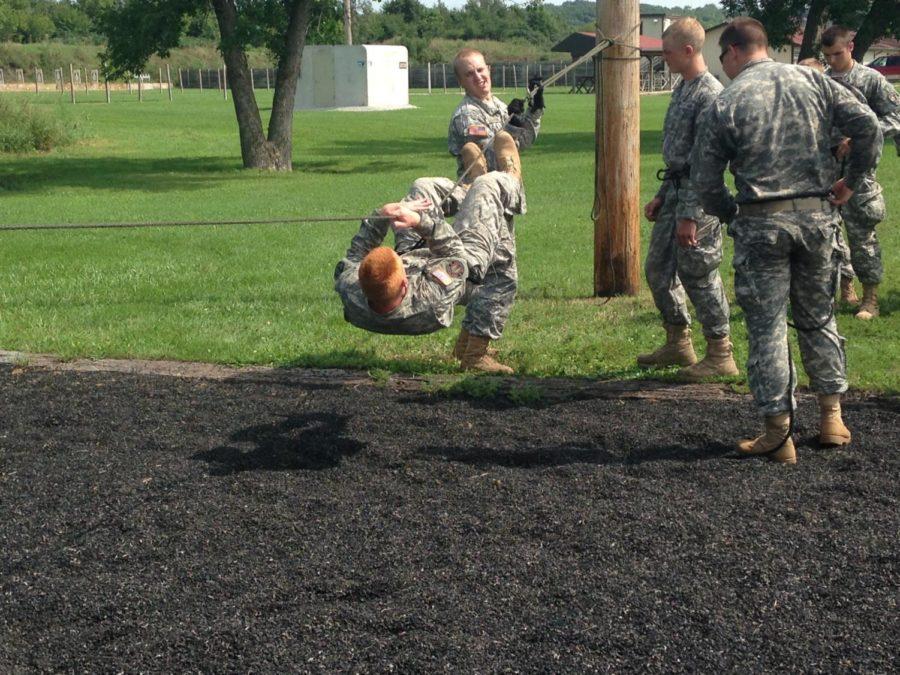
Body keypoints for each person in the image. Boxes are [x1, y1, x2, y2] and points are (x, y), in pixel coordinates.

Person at [691, 18, 881, 464]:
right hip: (818, 219)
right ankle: (832, 418)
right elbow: (869, 125)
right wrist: (851, 183)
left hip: (762, 225)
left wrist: (731, 213)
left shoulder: (728, 100)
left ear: (734, 51)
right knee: (819, 317)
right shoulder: (812, 79)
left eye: (724, 58)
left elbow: (704, 180)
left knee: (768, 327)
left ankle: (778, 434)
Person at [335, 132, 523, 374]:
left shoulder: (351, 288)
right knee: (500, 262)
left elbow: (355, 255)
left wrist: (381, 215)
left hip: (420, 261)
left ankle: (469, 187)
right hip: (461, 267)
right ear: (404, 285)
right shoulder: (430, 297)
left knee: (421, 187)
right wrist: (422, 222)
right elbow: (455, 254)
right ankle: (475, 354)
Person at [639, 17, 737, 379]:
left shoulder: (709, 94)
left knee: (698, 273)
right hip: (678, 192)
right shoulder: (683, 88)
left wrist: (691, 213)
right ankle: (678, 343)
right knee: (658, 270)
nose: (663, 58)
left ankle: (720, 352)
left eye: (667, 52)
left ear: (688, 50)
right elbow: (679, 158)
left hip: (699, 200)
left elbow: (706, 161)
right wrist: (663, 196)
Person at [822, 25, 900, 320]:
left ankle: (870, 298)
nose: (832, 61)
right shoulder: (821, 81)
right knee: (825, 237)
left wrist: (859, 137)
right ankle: (836, 290)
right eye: (827, 56)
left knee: (862, 235)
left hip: (859, 172)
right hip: (824, 170)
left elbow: (896, 118)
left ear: (851, 47)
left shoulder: (871, 80)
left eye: (837, 54)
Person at [448, 48, 544, 179]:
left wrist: (534, 109)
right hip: (483, 193)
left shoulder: (500, 105)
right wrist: (512, 126)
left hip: (509, 189)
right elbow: (490, 156)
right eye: (469, 74)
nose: (478, 77)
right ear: (460, 81)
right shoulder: (465, 115)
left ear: (488, 69)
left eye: (480, 70)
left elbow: (523, 142)